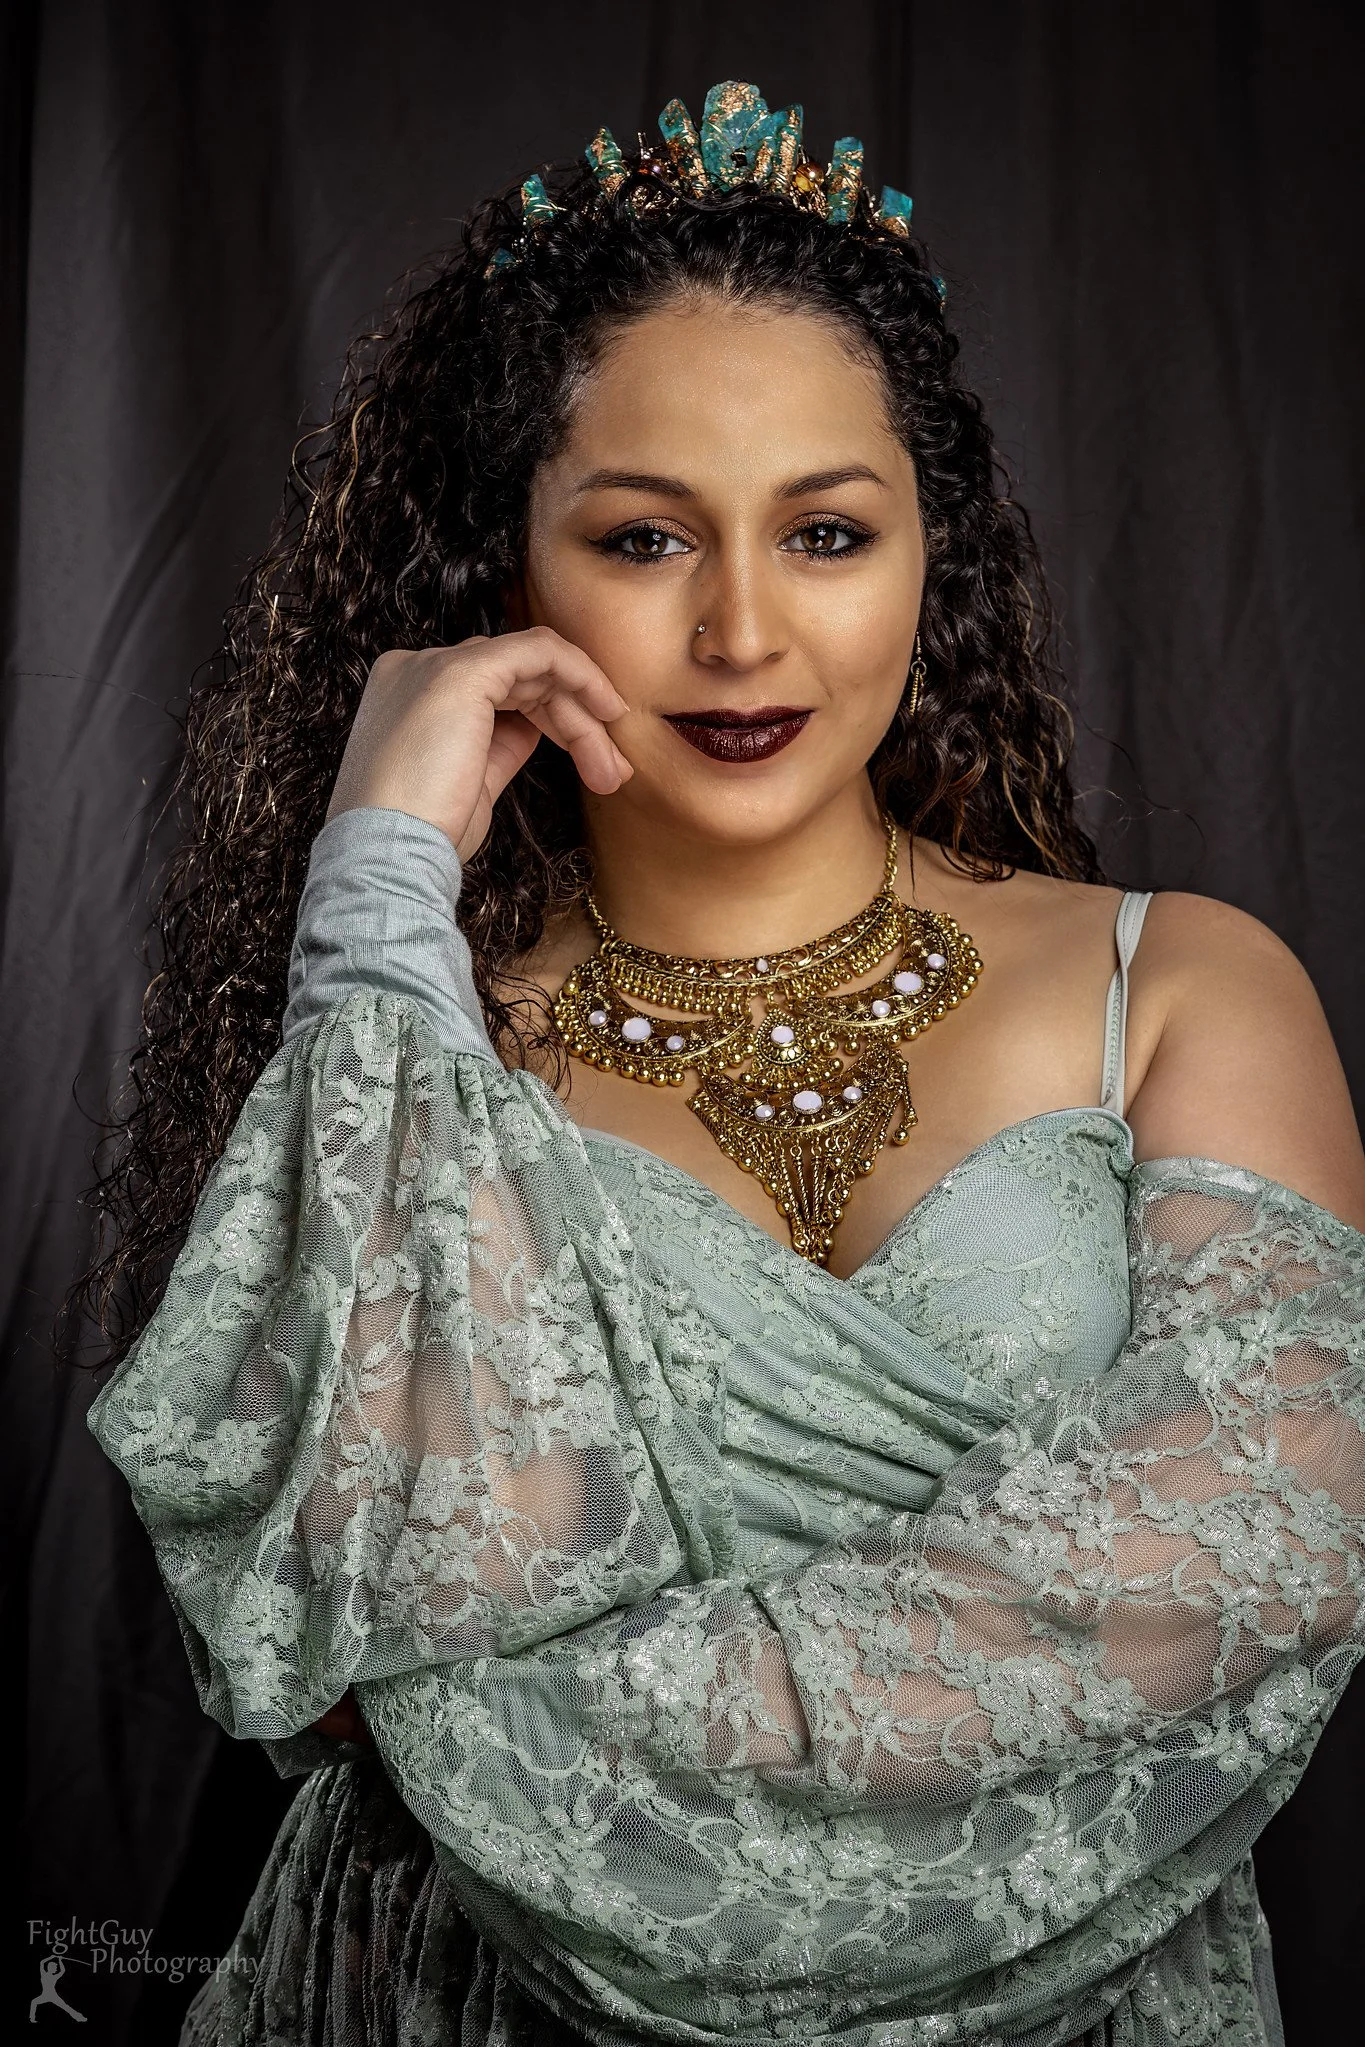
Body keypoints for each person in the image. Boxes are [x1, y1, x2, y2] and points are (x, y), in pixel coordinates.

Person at [82, 81, 1365, 2047]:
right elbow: (326, 1605)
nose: (743, 628)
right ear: (507, 571)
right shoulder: (409, 1036)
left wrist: (509, 1738)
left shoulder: (1184, 992)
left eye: (827, 532)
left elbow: (1238, 1565)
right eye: (642, 536)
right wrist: (376, 899)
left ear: (934, 553)